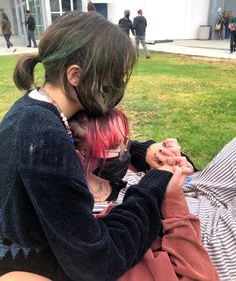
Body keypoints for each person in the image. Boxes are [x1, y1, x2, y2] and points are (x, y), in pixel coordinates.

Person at [1, 10, 177, 281]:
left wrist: (143, 152)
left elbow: (79, 138)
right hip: (25, 263)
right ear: (75, 75)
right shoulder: (44, 139)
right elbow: (98, 262)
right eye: (112, 77)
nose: (116, 87)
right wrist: (153, 187)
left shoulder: (36, 111)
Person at [70, 109, 236, 280]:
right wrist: (169, 193)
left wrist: (160, 154)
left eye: (125, 142)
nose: (123, 152)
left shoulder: (113, 171)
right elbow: (191, 269)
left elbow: (130, 148)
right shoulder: (93, 219)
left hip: (198, 189)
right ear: (78, 154)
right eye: (113, 147)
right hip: (205, 238)